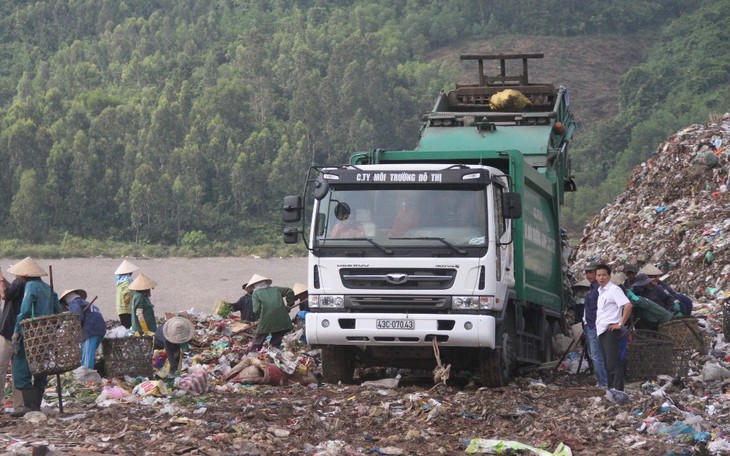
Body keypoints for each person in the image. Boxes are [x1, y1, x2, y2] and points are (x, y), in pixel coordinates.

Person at [9, 257, 61, 416]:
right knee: (40, 367)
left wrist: (17, 332)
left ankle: (30, 407)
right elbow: (58, 311)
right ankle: (36, 406)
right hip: (46, 334)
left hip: (31, 334)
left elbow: (25, 311)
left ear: (24, 275)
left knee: (20, 369)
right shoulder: (48, 288)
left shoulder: (30, 286)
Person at [595, 263, 632, 392]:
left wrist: (620, 324)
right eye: (598, 275)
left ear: (609, 276)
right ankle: (612, 391)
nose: (601, 278)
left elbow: (628, 305)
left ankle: (618, 391)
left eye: (604, 275)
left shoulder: (614, 290)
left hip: (611, 331)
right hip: (602, 331)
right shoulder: (601, 291)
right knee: (607, 364)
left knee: (614, 363)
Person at [247, 274, 294, 352]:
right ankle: (272, 352)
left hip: (266, 319)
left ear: (254, 285)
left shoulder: (256, 294)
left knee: (259, 338)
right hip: (281, 318)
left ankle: (252, 354)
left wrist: (259, 318)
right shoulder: (276, 289)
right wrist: (289, 305)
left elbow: (256, 309)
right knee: (277, 336)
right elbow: (289, 291)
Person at [61, 288, 106, 369]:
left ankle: (86, 377)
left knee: (87, 357)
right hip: (100, 330)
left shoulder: (74, 303)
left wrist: (72, 328)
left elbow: (78, 317)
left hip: (90, 331)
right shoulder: (86, 303)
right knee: (89, 353)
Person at [0, 268, 24, 414]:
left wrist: (1, 279)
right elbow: (10, 291)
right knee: (18, 370)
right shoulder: (25, 284)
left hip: (10, 333)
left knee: (1, 368)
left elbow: (4, 294)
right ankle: (19, 406)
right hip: (18, 333)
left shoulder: (20, 282)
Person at [581, 263, 608, 389]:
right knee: (594, 355)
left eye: (591, 272)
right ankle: (602, 381)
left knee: (597, 356)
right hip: (589, 325)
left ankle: (603, 382)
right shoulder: (592, 288)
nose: (588, 275)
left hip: (595, 325)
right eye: (587, 273)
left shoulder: (599, 289)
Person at [115, 260, 139, 329]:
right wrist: (126, 304)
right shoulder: (127, 281)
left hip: (120, 308)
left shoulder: (119, 281)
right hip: (126, 308)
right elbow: (127, 293)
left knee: (124, 325)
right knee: (127, 326)